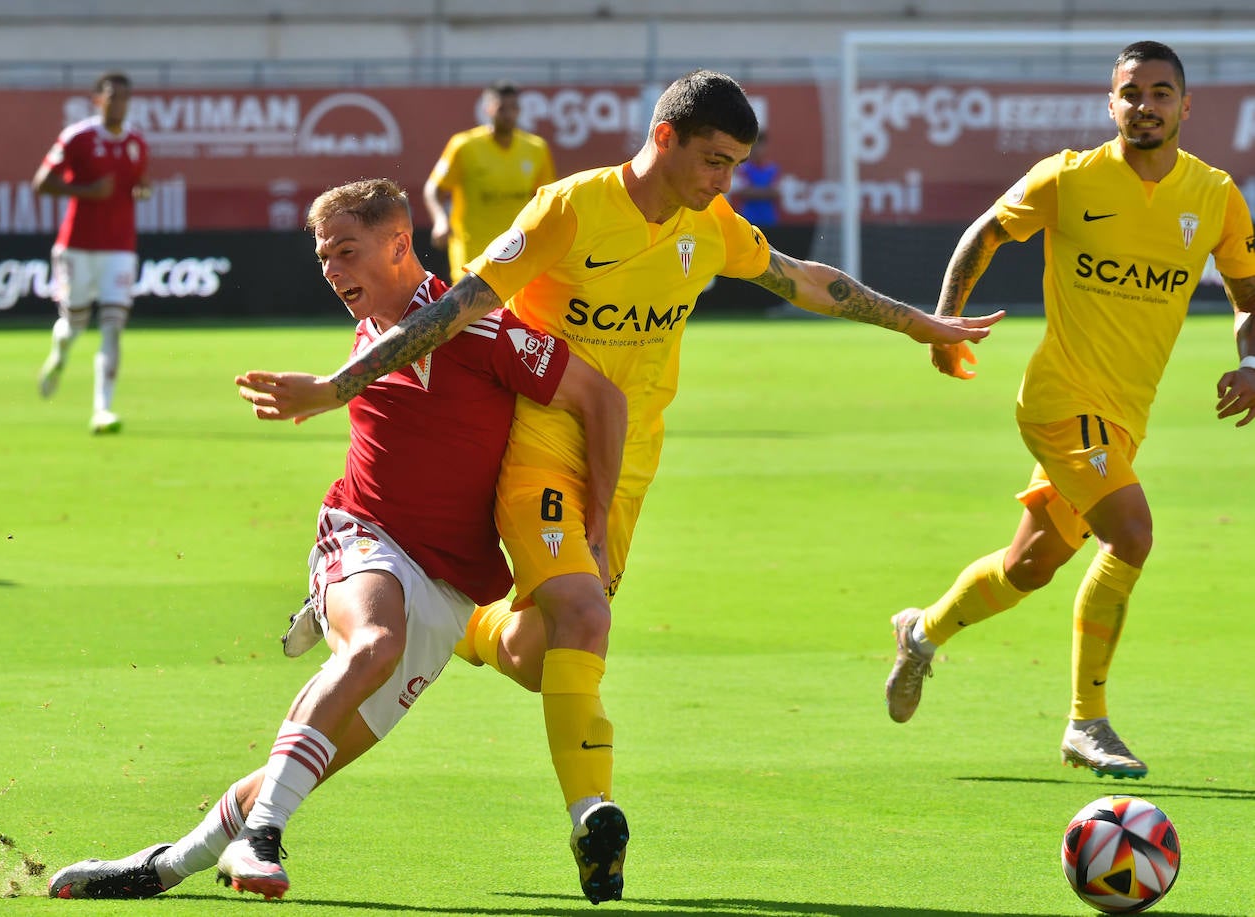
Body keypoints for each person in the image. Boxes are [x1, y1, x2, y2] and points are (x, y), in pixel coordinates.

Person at [255, 69, 1003, 904]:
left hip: (630, 457)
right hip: (539, 443)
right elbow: (462, 302)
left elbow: (802, 278)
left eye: (735, 166)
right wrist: (338, 384)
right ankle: (592, 818)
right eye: (714, 160)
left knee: (541, 653)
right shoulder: (569, 209)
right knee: (584, 609)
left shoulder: (710, 226)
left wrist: (917, 321)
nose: (724, 181)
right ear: (664, 139)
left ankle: (467, 624)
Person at [44, 179, 626, 901]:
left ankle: (164, 864)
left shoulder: (479, 328)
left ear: (398, 243)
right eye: (323, 257)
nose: (332, 271)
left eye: (345, 252)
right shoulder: (383, 328)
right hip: (362, 534)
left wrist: (597, 518)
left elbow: (602, 396)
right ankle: (262, 839)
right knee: (373, 644)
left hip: (446, 590)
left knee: (307, 760)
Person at [883, 41, 1255, 779]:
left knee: (1032, 564)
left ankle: (919, 632)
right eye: (1130, 92)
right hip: (1059, 400)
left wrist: (1250, 362)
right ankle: (1088, 722)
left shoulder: (1214, 196)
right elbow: (983, 233)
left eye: (1159, 92)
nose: (1143, 104)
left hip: (1123, 417)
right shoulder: (1068, 177)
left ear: (1185, 105)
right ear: (1108, 103)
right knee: (1133, 533)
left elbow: (1249, 298)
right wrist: (943, 321)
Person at [32, 70, 151, 434]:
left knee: (113, 326)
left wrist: (143, 190)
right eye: (112, 96)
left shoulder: (136, 144)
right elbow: (41, 184)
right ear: (98, 100)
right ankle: (59, 354)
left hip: (119, 246)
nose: (118, 104)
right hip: (77, 247)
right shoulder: (77, 138)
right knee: (75, 324)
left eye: (124, 97)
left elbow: (138, 184)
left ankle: (103, 409)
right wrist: (87, 190)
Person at [423, 80, 556, 278]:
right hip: (472, 254)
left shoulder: (536, 148)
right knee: (473, 308)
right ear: (488, 109)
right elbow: (433, 188)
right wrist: (440, 220)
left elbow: (546, 198)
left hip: (517, 252)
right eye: (503, 108)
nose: (509, 114)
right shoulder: (464, 145)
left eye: (514, 108)